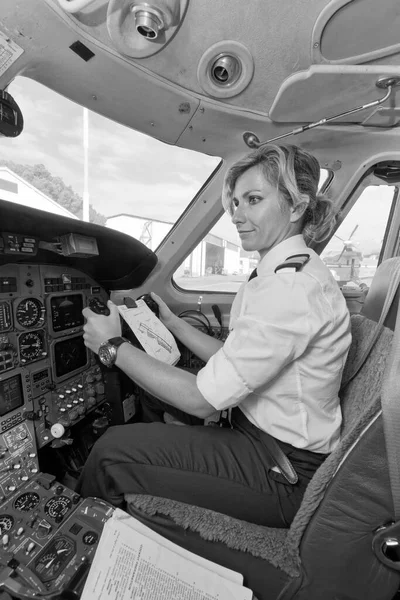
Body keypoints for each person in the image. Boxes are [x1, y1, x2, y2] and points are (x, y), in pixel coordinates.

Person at [76, 143, 351, 528]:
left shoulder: (290, 290)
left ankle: (83, 553)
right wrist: (172, 322)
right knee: (157, 411)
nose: (237, 215)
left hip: (283, 471)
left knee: (109, 451)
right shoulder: (288, 272)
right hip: (264, 440)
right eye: (236, 203)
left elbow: (203, 401)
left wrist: (112, 346)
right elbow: (234, 358)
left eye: (253, 200)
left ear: (296, 206)